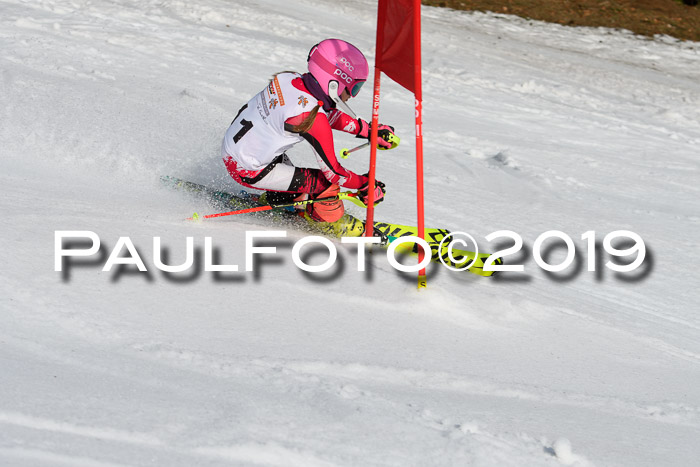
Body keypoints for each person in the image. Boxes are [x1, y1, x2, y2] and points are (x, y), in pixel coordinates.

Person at [221, 39, 397, 237]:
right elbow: (334, 173)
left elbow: (324, 113)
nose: (352, 96)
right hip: (248, 168)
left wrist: (367, 130)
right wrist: (365, 184)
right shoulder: (309, 117)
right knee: (325, 185)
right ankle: (331, 223)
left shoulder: (290, 79)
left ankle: (279, 199)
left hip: (237, 150)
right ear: (335, 83)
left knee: (301, 186)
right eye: (354, 88)